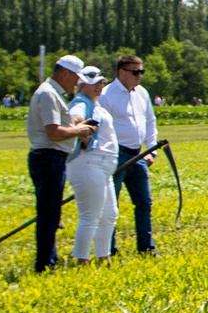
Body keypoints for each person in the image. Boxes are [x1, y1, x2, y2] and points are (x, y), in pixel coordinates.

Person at [26, 56, 94, 273]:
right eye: (75, 78)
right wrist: (79, 130)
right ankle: (45, 265)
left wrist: (74, 124)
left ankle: (50, 258)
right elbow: (53, 132)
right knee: (49, 214)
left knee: (52, 212)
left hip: (50, 157)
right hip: (49, 157)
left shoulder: (51, 93)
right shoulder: (48, 94)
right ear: (65, 74)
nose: (76, 83)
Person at [100, 53, 160, 256]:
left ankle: (146, 248)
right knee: (111, 205)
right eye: (135, 71)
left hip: (139, 155)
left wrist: (151, 150)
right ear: (121, 72)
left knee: (144, 203)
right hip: (116, 155)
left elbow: (150, 121)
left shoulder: (142, 93)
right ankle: (109, 249)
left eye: (141, 71)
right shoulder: (107, 95)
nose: (139, 75)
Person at [66, 65, 118, 264]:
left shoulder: (96, 105)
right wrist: (81, 132)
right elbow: (74, 118)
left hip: (102, 166)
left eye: (100, 82)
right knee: (90, 216)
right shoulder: (81, 102)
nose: (98, 86)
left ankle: (103, 256)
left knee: (109, 214)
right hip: (88, 163)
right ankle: (82, 260)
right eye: (93, 83)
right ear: (81, 85)